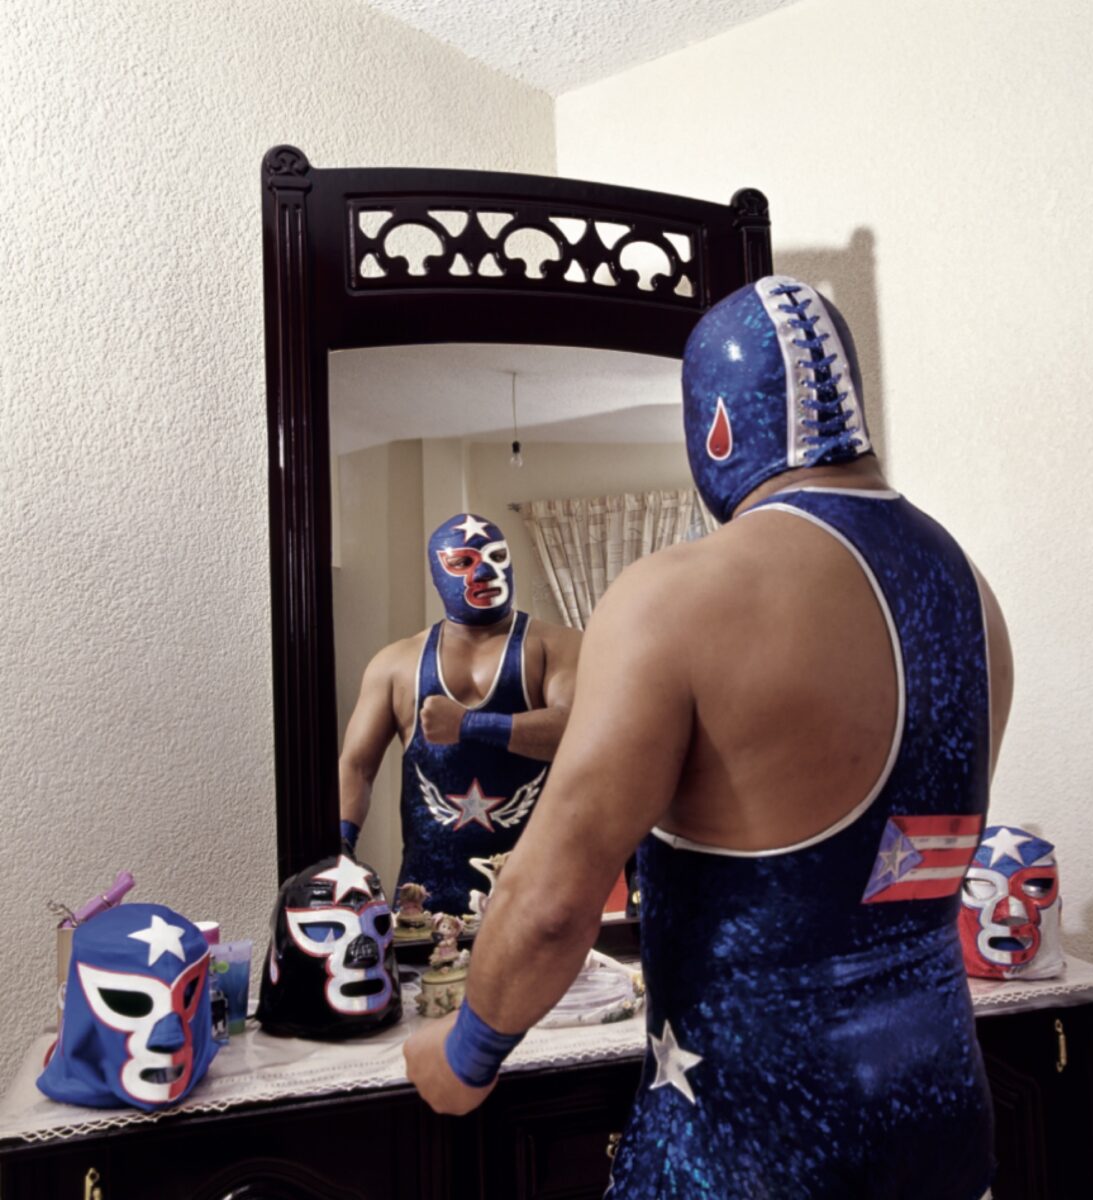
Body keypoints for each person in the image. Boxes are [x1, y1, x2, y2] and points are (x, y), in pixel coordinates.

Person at [404, 278, 1013, 1200]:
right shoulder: (973, 593)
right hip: (942, 1114)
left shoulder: (678, 596)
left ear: (717, 429)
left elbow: (552, 902)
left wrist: (467, 1054)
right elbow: (900, 861)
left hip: (745, 1142)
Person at [339, 512, 581, 914]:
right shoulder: (397, 663)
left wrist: (469, 724)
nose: (485, 571)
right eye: (464, 562)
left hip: (541, 885)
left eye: (497, 556)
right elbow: (356, 765)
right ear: (438, 574)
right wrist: (342, 846)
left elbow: (580, 730)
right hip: (427, 892)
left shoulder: (557, 645)